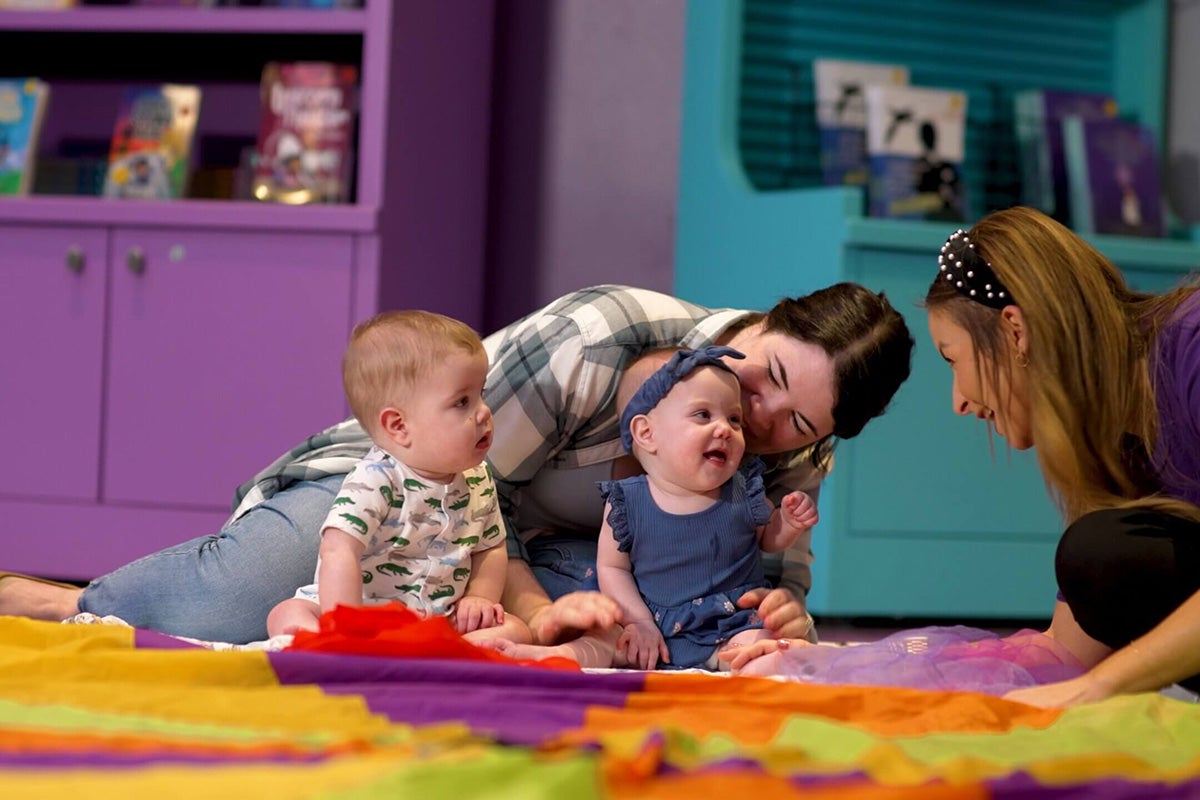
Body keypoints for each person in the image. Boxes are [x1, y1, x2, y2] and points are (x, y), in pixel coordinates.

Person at [0, 284, 914, 648]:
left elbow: (758, 563)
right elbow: (470, 485)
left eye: (796, 419)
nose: (758, 419)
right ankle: (47, 597)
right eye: (770, 375)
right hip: (409, 497)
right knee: (221, 614)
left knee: (618, 637)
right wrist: (517, 600)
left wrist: (779, 603)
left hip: (557, 551)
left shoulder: (793, 445)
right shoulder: (601, 341)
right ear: (763, 320)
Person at [924, 206, 1200, 707]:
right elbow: (1061, 652)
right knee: (1101, 554)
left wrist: (1099, 687)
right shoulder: (1119, 433)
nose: (958, 401)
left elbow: (1083, 678)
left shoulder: (1192, 344)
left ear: (1015, 331)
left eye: (952, 359)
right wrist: (879, 664)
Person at [265, 310, 516, 643]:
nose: (484, 411)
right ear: (399, 426)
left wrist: (480, 598)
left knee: (515, 628)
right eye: (462, 402)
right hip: (364, 611)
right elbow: (339, 550)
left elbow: (492, 547)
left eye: (481, 394)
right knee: (285, 614)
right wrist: (347, 622)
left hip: (438, 616)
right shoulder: (376, 480)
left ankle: (447, 650)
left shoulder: (479, 479)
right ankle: (342, 647)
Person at [597, 346, 819, 672]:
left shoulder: (744, 489)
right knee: (596, 644)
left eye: (734, 419)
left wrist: (787, 522)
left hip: (733, 621)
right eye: (703, 415)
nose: (724, 429)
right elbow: (612, 569)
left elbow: (767, 539)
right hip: (656, 627)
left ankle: (766, 664)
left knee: (765, 652)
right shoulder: (627, 501)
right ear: (647, 433)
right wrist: (639, 622)